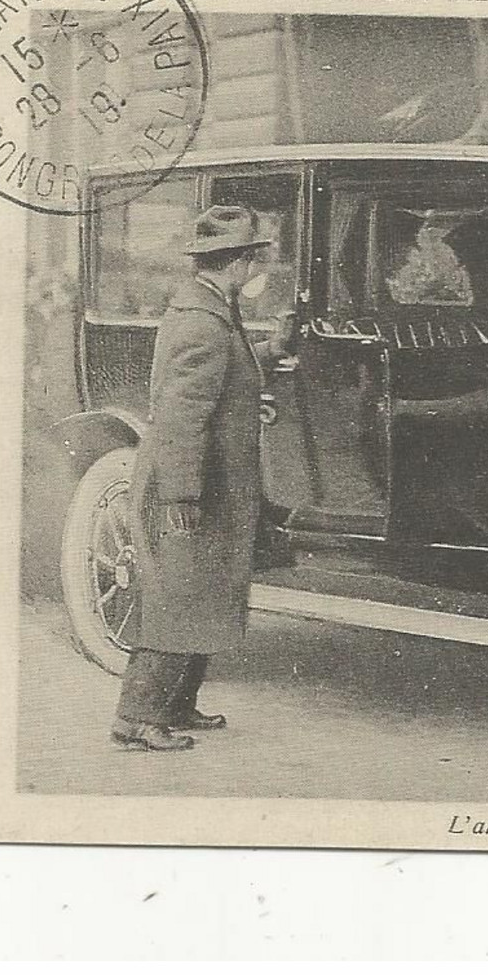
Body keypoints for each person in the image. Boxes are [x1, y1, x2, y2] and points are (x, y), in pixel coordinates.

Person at [113, 205, 293, 752]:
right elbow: (181, 417)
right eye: (252, 260)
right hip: (192, 485)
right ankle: (136, 720)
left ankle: (177, 705)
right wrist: (181, 495)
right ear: (235, 263)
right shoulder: (204, 323)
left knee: (203, 594)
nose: (256, 270)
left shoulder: (212, 311)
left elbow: (227, 372)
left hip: (208, 482)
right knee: (179, 598)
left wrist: (271, 351)